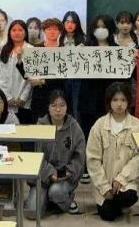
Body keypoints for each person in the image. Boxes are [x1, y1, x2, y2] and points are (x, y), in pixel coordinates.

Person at [86, 82, 139, 221]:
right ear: (109, 102)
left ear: (129, 101)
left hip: (126, 182)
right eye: (115, 100)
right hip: (104, 182)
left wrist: (122, 178)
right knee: (108, 215)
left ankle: (121, 202)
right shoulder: (99, 125)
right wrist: (104, 187)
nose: (119, 104)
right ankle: (112, 203)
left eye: (123, 100)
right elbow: (93, 159)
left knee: (128, 197)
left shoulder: (137, 125)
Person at [25, 90, 85, 218]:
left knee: (56, 191)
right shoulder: (40, 125)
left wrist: (69, 171)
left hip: (65, 177)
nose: (58, 110)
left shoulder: (74, 127)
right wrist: (50, 172)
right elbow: (36, 155)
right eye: (54, 105)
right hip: (43, 177)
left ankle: (65, 200)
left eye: (62, 105)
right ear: (48, 107)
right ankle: (48, 200)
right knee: (32, 213)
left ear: (67, 107)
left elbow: (79, 156)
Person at [81, 15, 118, 144]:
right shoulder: (85, 48)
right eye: (98, 27)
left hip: (110, 97)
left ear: (110, 29)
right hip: (89, 100)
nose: (101, 30)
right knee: (90, 133)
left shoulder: (117, 50)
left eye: (104, 27)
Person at [24, 18, 64, 121]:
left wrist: (43, 81)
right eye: (49, 29)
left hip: (57, 95)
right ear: (44, 31)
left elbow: (65, 75)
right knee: (38, 125)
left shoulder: (64, 50)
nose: (52, 32)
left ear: (60, 32)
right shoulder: (36, 49)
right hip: (38, 96)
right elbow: (27, 70)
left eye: (55, 29)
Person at [0, 20, 33, 124]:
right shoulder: (4, 49)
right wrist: (8, 97)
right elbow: (1, 76)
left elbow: (32, 77)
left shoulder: (31, 49)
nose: (17, 33)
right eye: (14, 30)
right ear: (9, 32)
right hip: (8, 100)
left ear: (25, 32)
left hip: (25, 101)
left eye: (20, 30)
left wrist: (23, 98)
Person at [59, 11, 86, 124]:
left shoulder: (84, 39)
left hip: (78, 80)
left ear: (77, 24)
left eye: (73, 22)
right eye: (67, 22)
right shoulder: (58, 39)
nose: (70, 25)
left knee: (76, 110)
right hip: (61, 79)